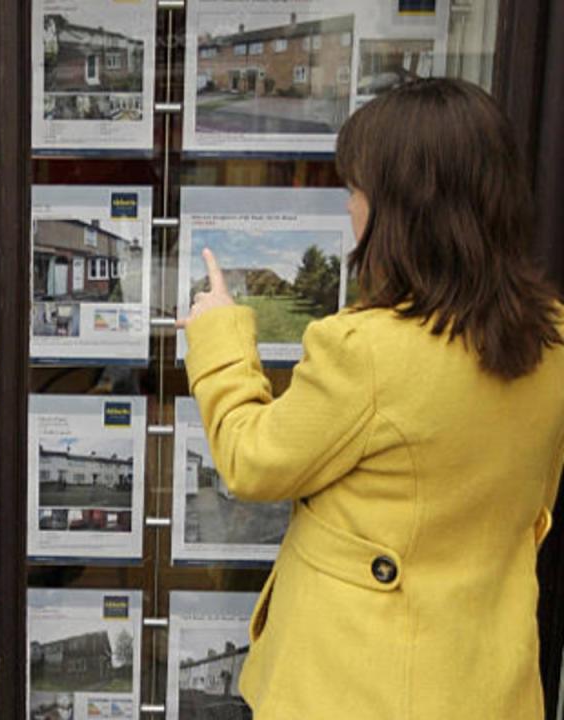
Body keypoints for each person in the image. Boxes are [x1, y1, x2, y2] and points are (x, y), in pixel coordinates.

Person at [179, 78, 564, 718]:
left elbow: (251, 460)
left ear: (404, 210)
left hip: (358, 686)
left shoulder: (367, 352)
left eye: (357, 191)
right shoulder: (552, 338)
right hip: (488, 682)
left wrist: (218, 328)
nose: (351, 210)